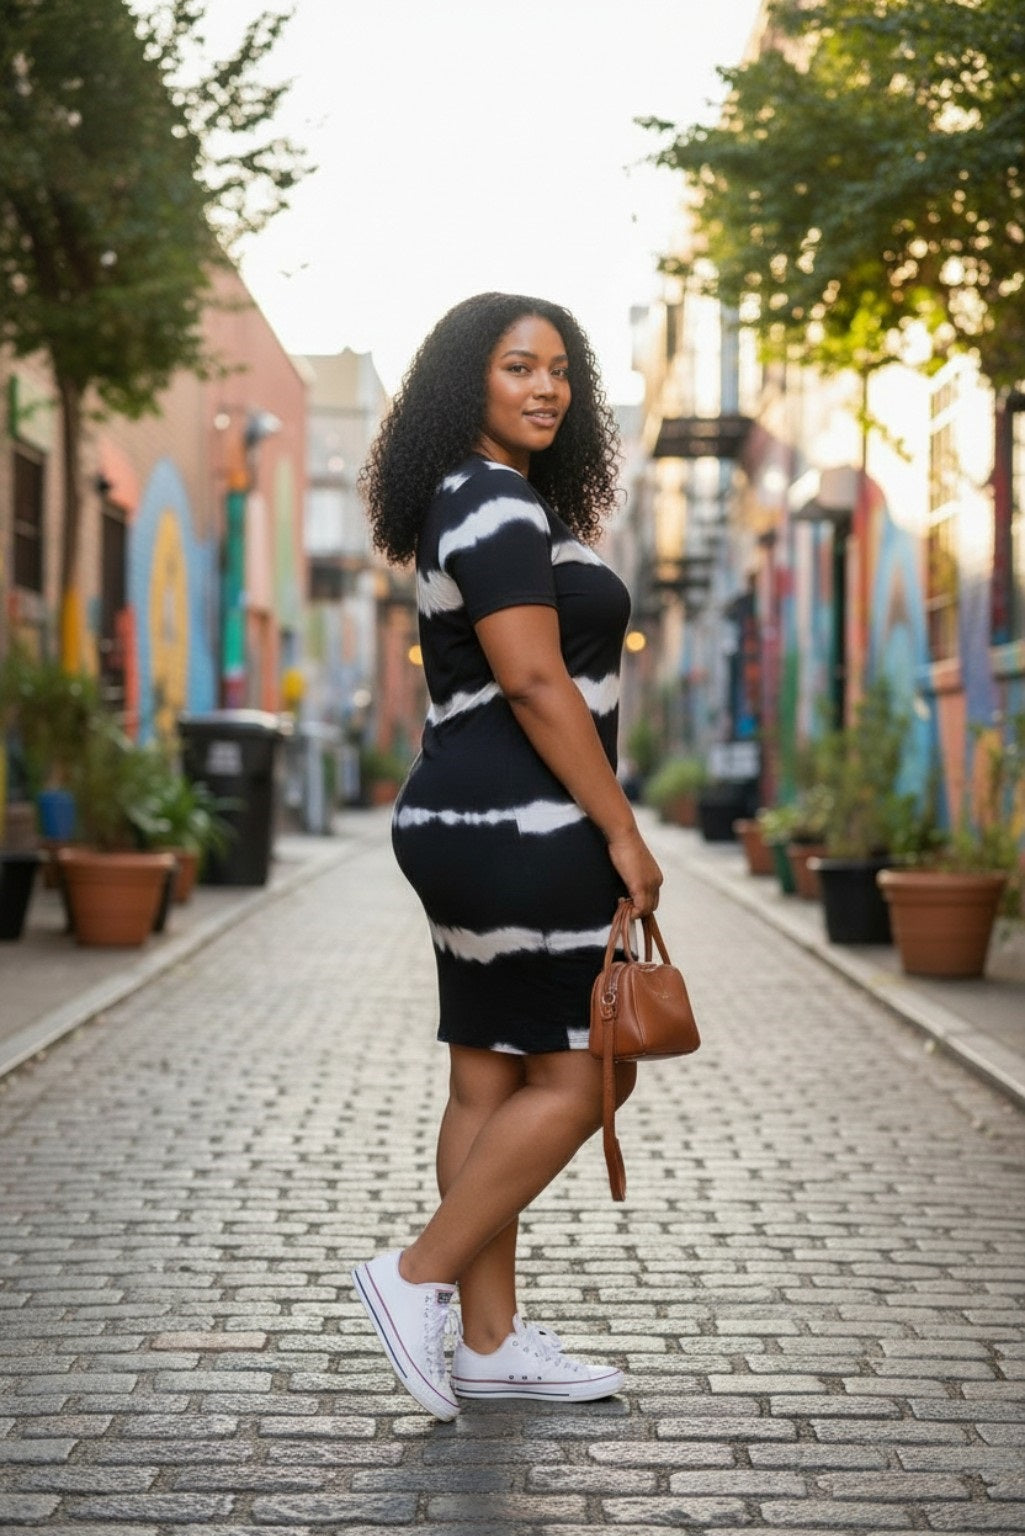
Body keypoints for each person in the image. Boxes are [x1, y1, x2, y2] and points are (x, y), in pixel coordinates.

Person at [353, 292, 663, 1421]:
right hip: (521, 824)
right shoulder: (486, 498)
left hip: (472, 820)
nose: (545, 388)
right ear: (465, 383)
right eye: (517, 366)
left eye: (560, 369)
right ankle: (417, 1275)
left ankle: (486, 1344)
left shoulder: (486, 498)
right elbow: (533, 681)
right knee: (590, 1073)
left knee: (487, 1076)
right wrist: (620, 828)